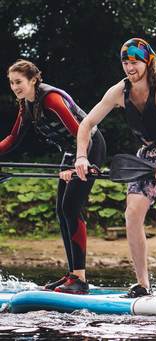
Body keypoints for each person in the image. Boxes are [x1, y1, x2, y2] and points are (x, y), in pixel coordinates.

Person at [74, 38, 156, 298]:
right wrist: (81, 157)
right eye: (126, 63)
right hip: (147, 155)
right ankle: (143, 284)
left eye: (135, 62)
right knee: (132, 214)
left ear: (148, 62)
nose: (130, 68)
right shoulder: (119, 91)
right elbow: (86, 125)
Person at [1, 59, 106, 294]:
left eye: (19, 82)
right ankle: (72, 275)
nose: (15, 87)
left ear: (33, 80)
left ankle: (80, 279)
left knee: (70, 208)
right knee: (61, 211)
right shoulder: (26, 105)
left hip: (90, 148)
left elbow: (83, 132)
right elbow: (13, 139)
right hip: (72, 153)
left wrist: (80, 162)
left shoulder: (51, 99)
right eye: (11, 83)